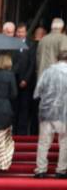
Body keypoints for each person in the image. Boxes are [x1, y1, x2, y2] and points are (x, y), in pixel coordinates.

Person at [34, 50, 67, 179]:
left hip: (47, 111)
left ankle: (40, 170)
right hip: (64, 112)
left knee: (44, 142)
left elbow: (38, 91)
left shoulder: (47, 72)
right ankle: (61, 170)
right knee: (64, 142)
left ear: (57, 58)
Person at [13, 22, 35, 135]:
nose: (20, 34)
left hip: (26, 83)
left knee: (24, 108)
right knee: (14, 107)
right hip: (14, 81)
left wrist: (25, 79)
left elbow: (32, 64)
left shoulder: (31, 45)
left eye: (22, 31)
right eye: (18, 31)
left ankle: (22, 133)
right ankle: (13, 132)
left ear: (26, 32)